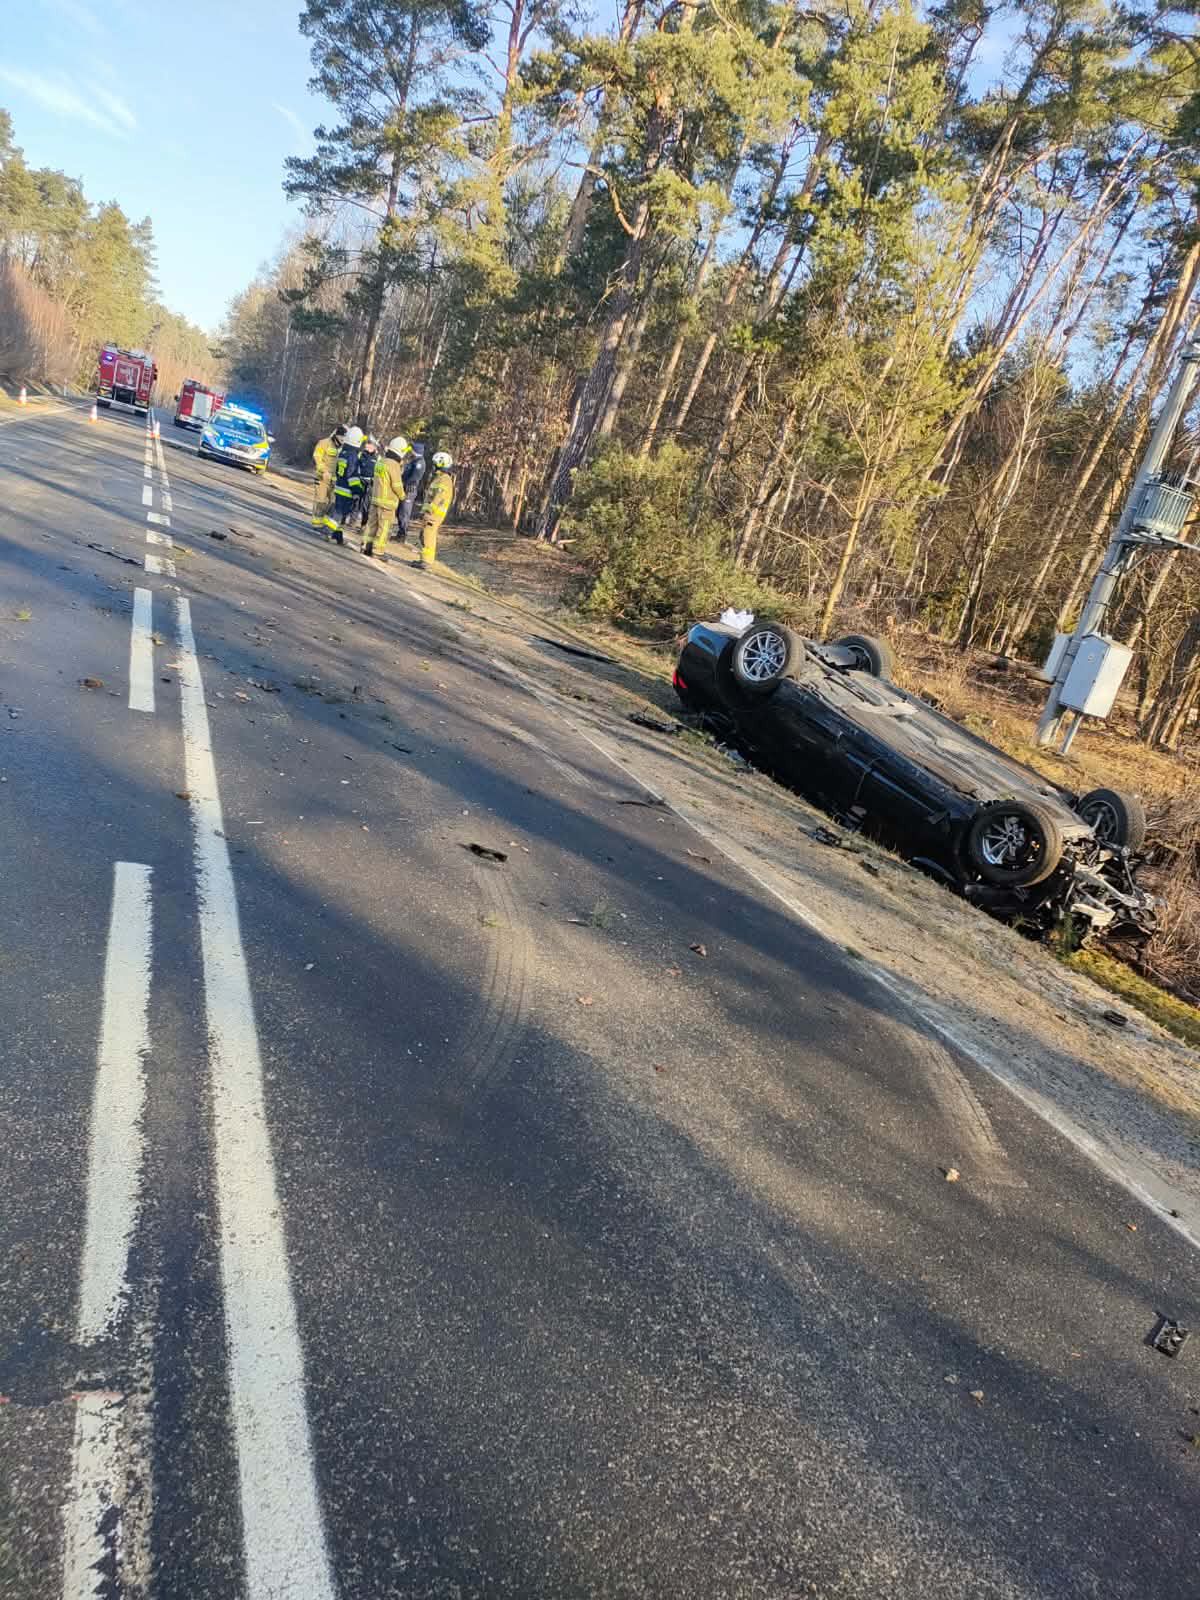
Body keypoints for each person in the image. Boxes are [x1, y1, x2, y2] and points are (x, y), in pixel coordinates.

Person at [361, 436, 411, 561]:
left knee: (371, 525)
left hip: (375, 499)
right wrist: (403, 497)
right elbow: (397, 485)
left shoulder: (381, 461)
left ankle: (366, 546)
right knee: (384, 528)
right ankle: (378, 551)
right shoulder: (394, 465)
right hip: (387, 503)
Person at [321, 425, 366, 544]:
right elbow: (352, 475)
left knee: (341, 513)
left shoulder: (343, 452)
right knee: (339, 513)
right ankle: (329, 531)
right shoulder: (353, 456)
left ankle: (337, 535)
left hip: (340, 487)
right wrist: (357, 490)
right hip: (347, 490)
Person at [416, 451, 454, 570]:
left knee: (428, 537)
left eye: (435, 464)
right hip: (430, 514)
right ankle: (424, 559)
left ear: (440, 464)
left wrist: (429, 511)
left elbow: (438, 499)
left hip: (434, 515)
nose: (433, 466)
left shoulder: (444, 480)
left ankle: (426, 562)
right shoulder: (439, 478)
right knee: (424, 536)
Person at [311, 423, 346, 527]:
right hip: (322, 478)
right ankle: (317, 523)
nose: (343, 439)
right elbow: (317, 457)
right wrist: (323, 470)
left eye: (345, 437)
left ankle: (326, 522)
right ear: (336, 435)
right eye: (341, 436)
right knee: (320, 501)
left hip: (335, 481)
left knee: (332, 502)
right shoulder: (324, 443)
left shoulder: (343, 448)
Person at [395, 440, 426, 546]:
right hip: (404, 487)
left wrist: (406, 483)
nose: (411, 450)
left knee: (404, 512)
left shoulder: (419, 463)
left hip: (409, 490)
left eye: (412, 449)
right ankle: (400, 532)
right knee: (399, 511)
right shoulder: (413, 460)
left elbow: (415, 477)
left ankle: (402, 534)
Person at [352, 436, 379, 528]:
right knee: (356, 501)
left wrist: (374, 480)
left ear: (374, 447)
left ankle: (363, 525)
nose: (367, 446)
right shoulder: (361, 454)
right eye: (367, 444)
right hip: (360, 480)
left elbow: (378, 472)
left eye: (370, 444)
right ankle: (352, 520)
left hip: (370, 483)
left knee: (366, 505)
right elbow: (355, 466)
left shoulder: (378, 458)